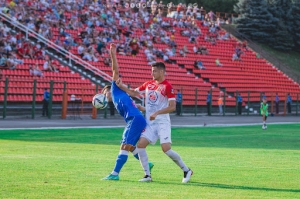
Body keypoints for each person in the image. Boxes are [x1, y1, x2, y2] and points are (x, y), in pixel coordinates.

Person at [116, 62, 193, 183]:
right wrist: (122, 87)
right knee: (140, 145)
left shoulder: (167, 86)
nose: (152, 73)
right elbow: (134, 93)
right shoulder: (148, 84)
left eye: (155, 71)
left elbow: (172, 107)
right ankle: (147, 175)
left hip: (162, 123)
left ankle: (186, 170)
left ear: (162, 71)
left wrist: (156, 113)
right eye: (152, 71)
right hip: (150, 123)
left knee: (166, 149)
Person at [102, 44, 153, 181]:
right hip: (135, 119)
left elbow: (115, 70)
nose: (105, 95)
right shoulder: (119, 99)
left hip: (135, 119)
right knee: (129, 146)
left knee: (124, 145)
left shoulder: (115, 88)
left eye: (104, 92)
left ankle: (115, 174)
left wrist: (113, 53)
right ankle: (147, 164)